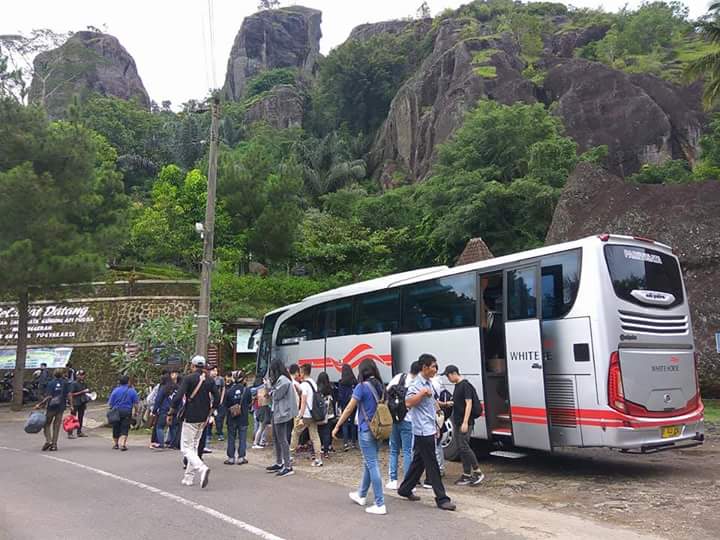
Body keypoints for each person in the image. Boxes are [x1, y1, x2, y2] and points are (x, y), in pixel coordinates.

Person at [397, 354, 455, 511]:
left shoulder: (429, 382)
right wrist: (422, 393)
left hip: (429, 428)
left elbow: (431, 404)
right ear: (424, 367)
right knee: (432, 465)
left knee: (419, 462)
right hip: (422, 431)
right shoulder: (417, 385)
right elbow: (408, 402)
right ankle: (442, 499)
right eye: (433, 366)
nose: (435, 369)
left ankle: (405, 489)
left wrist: (437, 421)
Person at [332, 359, 387, 515]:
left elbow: (349, 408)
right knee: (369, 462)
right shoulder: (380, 386)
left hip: (365, 429)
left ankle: (380, 503)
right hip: (378, 429)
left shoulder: (361, 387)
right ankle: (361, 494)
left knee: (372, 464)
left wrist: (337, 426)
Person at [168, 356, 219, 488]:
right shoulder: (209, 380)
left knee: (186, 448)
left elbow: (178, 396)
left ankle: (201, 468)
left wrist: (172, 411)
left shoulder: (188, 378)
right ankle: (188, 477)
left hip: (190, 416)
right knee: (194, 447)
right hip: (204, 417)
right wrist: (212, 410)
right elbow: (217, 397)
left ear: (193, 365)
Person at [442, 365, 485, 486]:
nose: (448, 378)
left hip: (465, 422)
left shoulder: (465, 385)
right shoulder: (457, 386)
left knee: (464, 446)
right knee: (461, 447)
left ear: (453, 373)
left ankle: (477, 471)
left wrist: (465, 422)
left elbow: (469, 403)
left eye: (448, 376)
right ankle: (466, 474)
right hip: (458, 421)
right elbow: (460, 402)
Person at [385, 361, 420, 490]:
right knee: (407, 452)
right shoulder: (417, 383)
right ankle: (408, 481)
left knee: (393, 450)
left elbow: (387, 391)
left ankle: (393, 480)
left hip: (394, 418)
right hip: (409, 420)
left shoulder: (400, 377)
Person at [265, 360, 297, 477]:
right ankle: (279, 462)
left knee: (282, 439)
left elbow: (276, 395)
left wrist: (269, 387)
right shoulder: (281, 380)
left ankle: (288, 466)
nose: (271, 373)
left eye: (272, 370)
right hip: (277, 411)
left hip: (282, 413)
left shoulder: (283, 381)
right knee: (276, 438)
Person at [290, 364, 323, 467]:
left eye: (300, 371)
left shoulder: (304, 385)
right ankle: (318, 459)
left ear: (303, 372)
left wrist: (299, 415)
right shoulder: (313, 383)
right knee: (315, 436)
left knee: (295, 433)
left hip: (306, 415)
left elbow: (303, 402)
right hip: (313, 414)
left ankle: (290, 455)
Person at [35, 369, 71, 451]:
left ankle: (49, 440)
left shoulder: (51, 383)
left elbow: (49, 396)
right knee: (56, 426)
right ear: (62, 375)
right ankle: (54, 445)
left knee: (46, 424)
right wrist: (71, 405)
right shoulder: (65, 383)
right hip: (61, 407)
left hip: (51, 407)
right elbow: (69, 394)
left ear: (54, 375)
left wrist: (40, 404)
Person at [224, 371, 252, 465]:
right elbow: (249, 402)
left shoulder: (229, 391)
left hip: (231, 418)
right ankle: (241, 457)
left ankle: (231, 458)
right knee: (242, 438)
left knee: (231, 438)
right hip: (243, 418)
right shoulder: (246, 390)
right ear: (243, 379)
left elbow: (226, 404)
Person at [107, 375, 139, 451]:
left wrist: (111, 408)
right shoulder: (132, 391)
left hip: (116, 411)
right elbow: (136, 404)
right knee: (125, 427)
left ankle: (115, 444)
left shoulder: (115, 390)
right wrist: (136, 412)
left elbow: (110, 404)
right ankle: (123, 445)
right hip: (127, 411)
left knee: (116, 427)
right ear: (128, 382)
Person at [153, 372, 178, 448]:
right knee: (173, 427)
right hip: (174, 409)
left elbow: (158, 399)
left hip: (164, 409)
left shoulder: (163, 388)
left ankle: (161, 443)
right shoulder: (177, 387)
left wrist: (155, 409)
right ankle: (173, 444)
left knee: (160, 427)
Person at [337, 364, 358, 451]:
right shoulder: (354, 381)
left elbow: (340, 395)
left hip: (344, 404)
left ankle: (345, 443)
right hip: (353, 404)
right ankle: (353, 442)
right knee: (353, 423)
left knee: (345, 424)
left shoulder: (341, 382)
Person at [316, 371, 336, 457]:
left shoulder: (317, 389)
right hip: (330, 413)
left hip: (320, 413)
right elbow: (335, 399)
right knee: (327, 432)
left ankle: (320, 447)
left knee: (320, 431)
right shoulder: (330, 388)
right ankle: (326, 451)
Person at [68, 369, 91, 438]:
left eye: (83, 375)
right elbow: (71, 394)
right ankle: (70, 433)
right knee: (72, 418)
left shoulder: (84, 383)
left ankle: (79, 431)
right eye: (80, 375)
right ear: (77, 375)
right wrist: (71, 405)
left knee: (81, 417)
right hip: (75, 403)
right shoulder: (73, 384)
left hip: (82, 402)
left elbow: (86, 392)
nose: (82, 376)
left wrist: (89, 396)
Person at [208, 367, 226, 443]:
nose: (215, 372)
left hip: (219, 402)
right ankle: (208, 434)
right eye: (213, 370)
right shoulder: (208, 379)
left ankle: (220, 433)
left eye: (216, 370)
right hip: (210, 402)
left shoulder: (220, 379)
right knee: (210, 418)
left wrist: (221, 399)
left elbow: (223, 388)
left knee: (219, 418)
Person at [252, 383, 271, 449]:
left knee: (262, 428)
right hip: (263, 410)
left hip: (262, 410)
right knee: (261, 428)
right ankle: (255, 443)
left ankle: (259, 442)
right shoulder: (263, 392)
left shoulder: (259, 392)